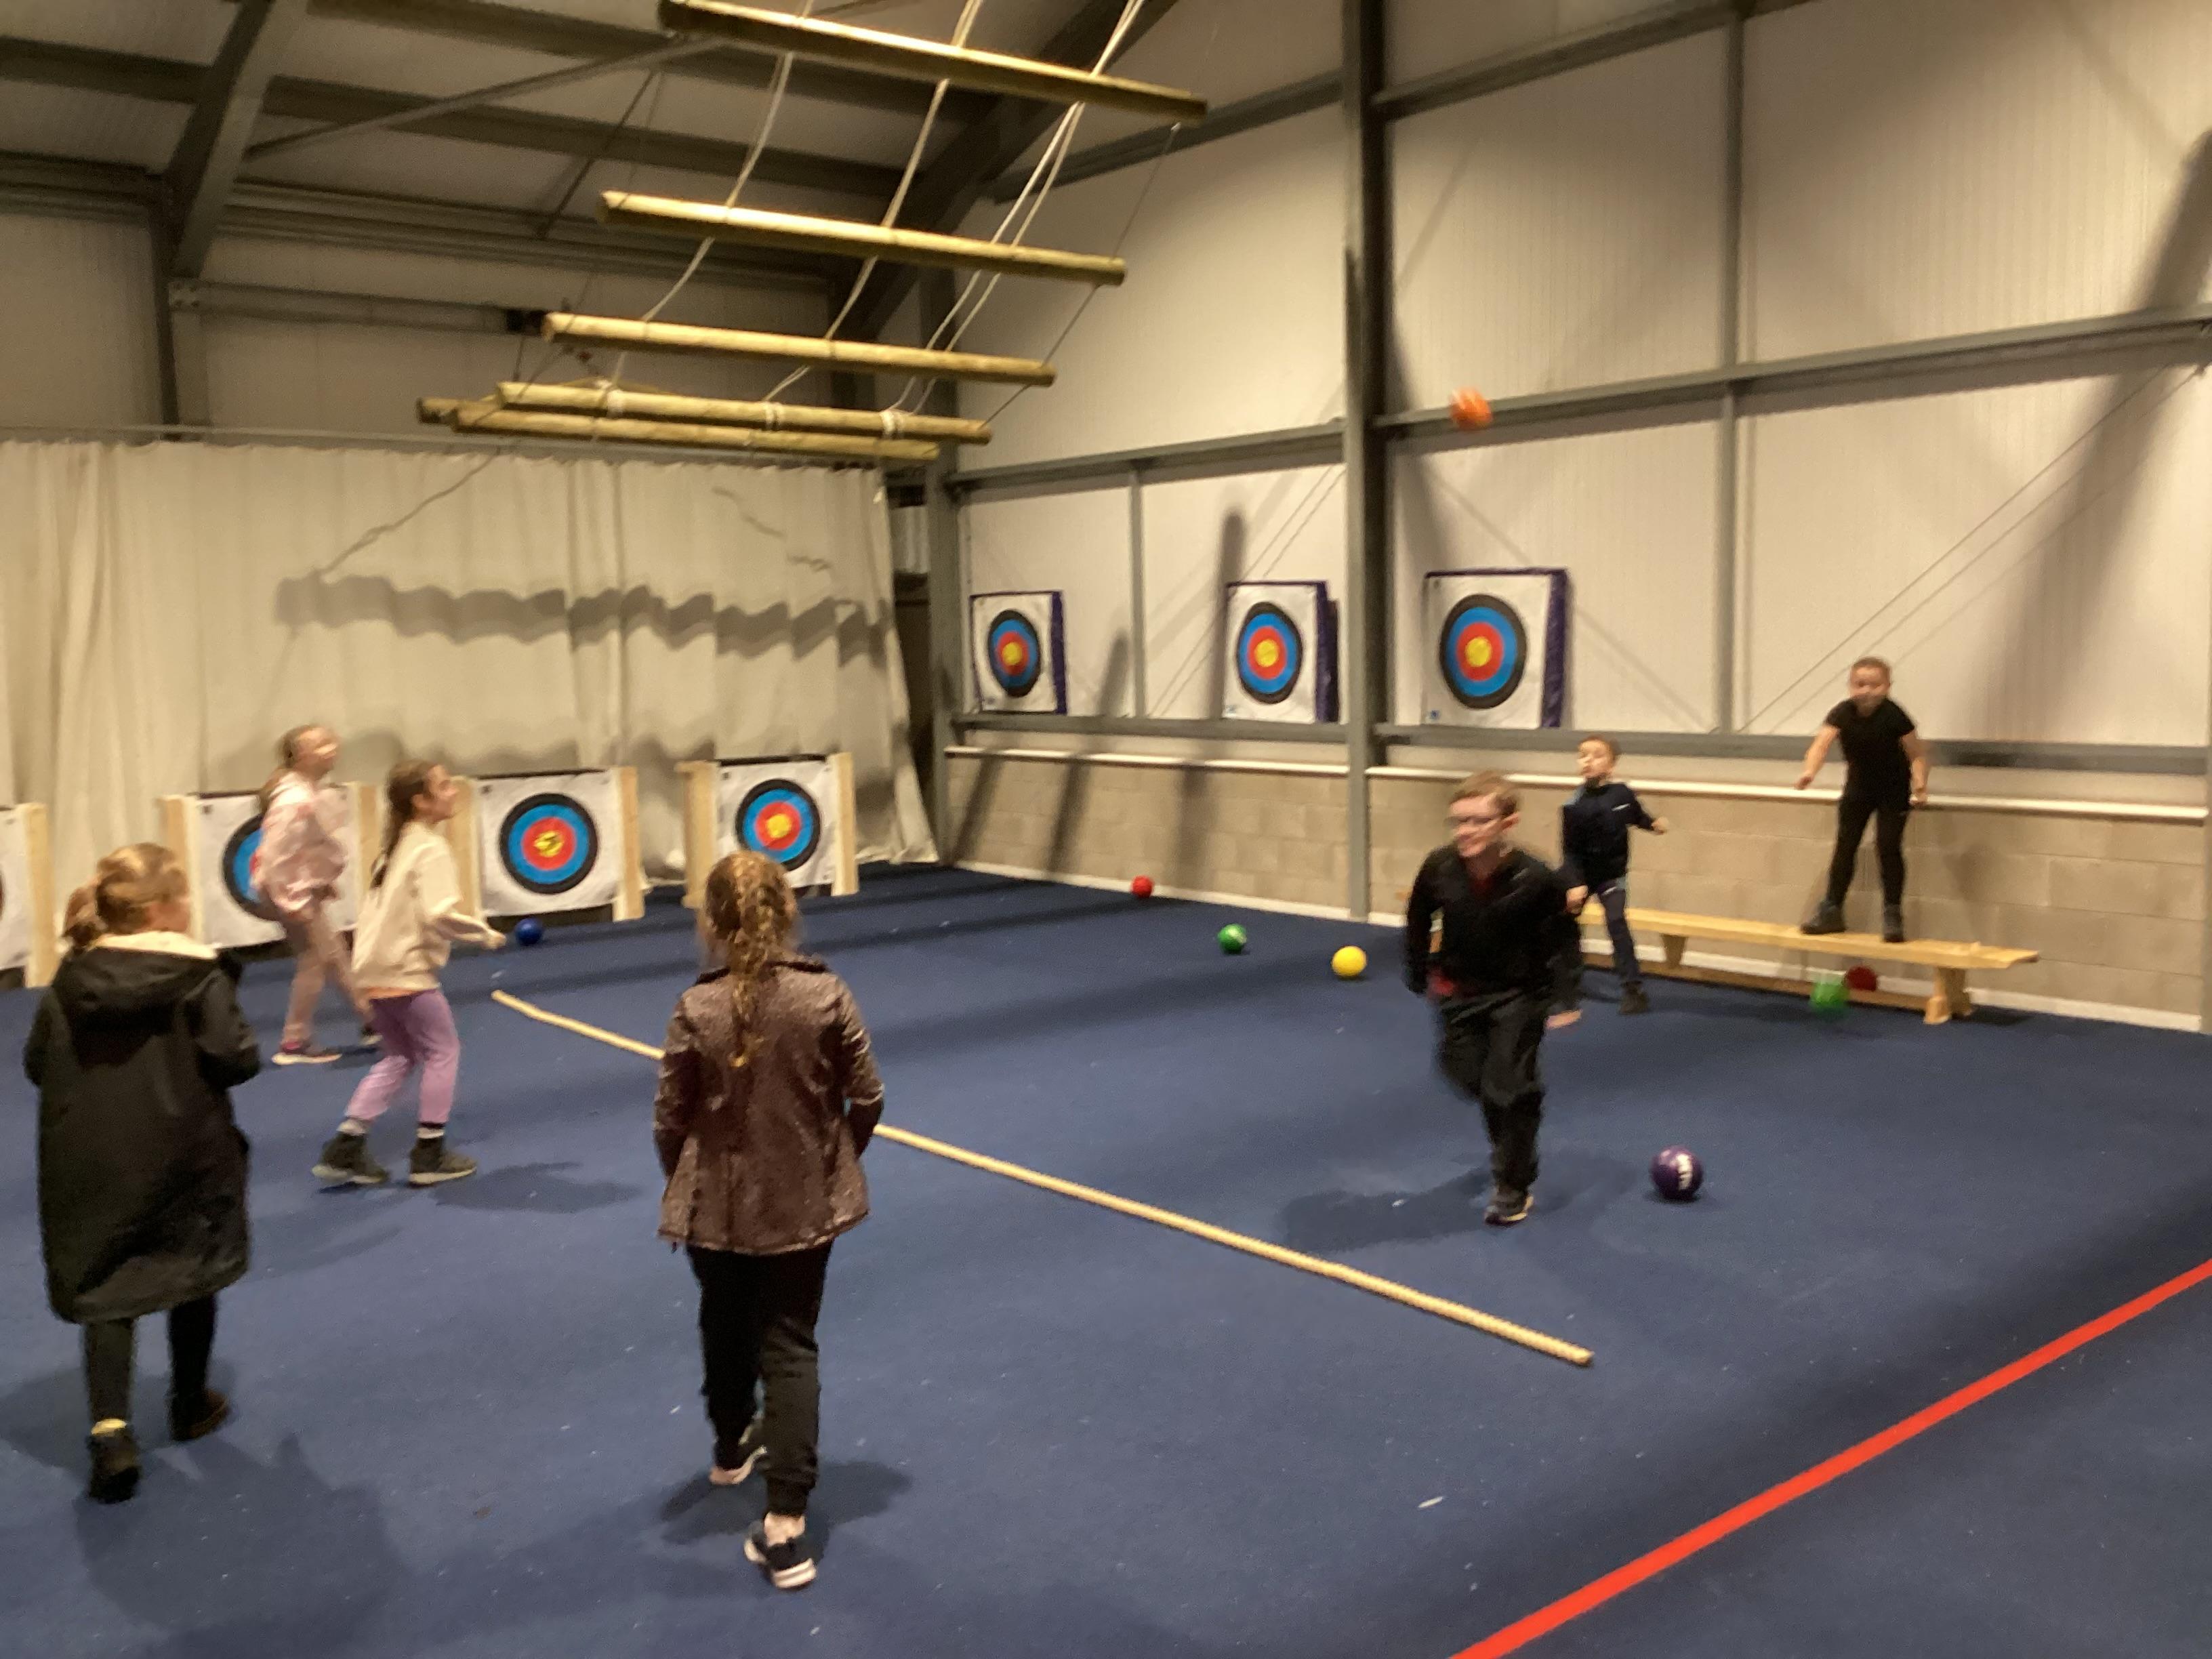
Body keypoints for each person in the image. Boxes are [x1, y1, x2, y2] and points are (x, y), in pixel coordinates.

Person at [653, 851, 884, 1592]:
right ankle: (785, 1525)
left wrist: (686, 1181)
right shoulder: (827, 995)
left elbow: (670, 1119)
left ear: (712, 925)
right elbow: (868, 1097)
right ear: (787, 913)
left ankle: (730, 1451)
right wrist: (833, 1160)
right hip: (802, 1206)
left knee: (723, 1320)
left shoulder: (696, 1007)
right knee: (789, 1344)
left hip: (715, 1211)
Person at [24, 844, 260, 1504]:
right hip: (186, 1150)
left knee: (108, 1284)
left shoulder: (72, 977)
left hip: (92, 1157)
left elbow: (39, 1063)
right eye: (182, 896)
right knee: (192, 1266)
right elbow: (236, 1059)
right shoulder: (199, 974)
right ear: (160, 910)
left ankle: (111, 1435)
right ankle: (189, 1402)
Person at [1404, 772, 1582, 1227]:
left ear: (1508, 823)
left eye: (1478, 821)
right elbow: (1419, 914)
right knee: (1470, 1079)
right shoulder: (1440, 866)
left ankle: (1512, 1185)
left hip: (1518, 994)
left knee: (1510, 1088)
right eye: (1459, 821)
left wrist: (1567, 996)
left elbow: (1564, 936)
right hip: (1459, 992)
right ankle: (1512, 1118)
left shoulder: (1534, 877)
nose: (1465, 831)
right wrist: (1417, 968)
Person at [313, 762, 502, 1189]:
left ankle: (346, 1145)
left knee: (398, 1056)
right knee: (443, 1051)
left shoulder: (394, 846)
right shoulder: (431, 848)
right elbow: (439, 914)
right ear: (421, 801)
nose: (453, 791)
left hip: (372, 969)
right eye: (444, 786)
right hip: (405, 969)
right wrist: (483, 933)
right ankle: (429, 1153)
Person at [259, 724, 375, 1063]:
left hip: (297, 888)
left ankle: (372, 1020)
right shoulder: (296, 801)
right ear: (302, 756)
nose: (333, 748)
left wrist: (317, 880)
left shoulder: (306, 794)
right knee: (315, 960)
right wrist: (291, 899)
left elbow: (304, 849)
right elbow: (275, 856)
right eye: (321, 744)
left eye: (331, 741)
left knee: (333, 955)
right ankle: (294, 1041)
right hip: (289, 892)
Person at [1795, 656, 1929, 943]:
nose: (1867, 691)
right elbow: (1820, 745)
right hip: (1859, 788)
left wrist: (1920, 784)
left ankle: (1892, 913)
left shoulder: (1895, 715)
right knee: (1845, 846)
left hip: (1893, 790)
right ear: (1850, 686)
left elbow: (1916, 753)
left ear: (1888, 687)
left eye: (1875, 685)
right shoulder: (1843, 713)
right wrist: (1810, 772)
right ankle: (1832, 909)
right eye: (1860, 684)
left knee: (1888, 846)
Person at [1559, 735, 1668, 1015]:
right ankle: (1566, 984)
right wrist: (1575, 884)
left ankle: (1633, 990)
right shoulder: (1573, 805)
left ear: (1611, 765)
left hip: (1612, 876)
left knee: (1617, 922)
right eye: (1583, 755)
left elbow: (1635, 815)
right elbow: (1570, 852)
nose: (1588, 761)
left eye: (1597, 755)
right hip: (1582, 876)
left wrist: (1652, 824)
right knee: (1563, 924)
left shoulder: (1622, 794)